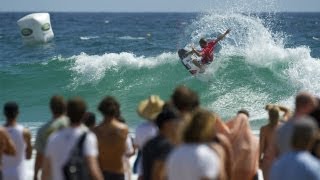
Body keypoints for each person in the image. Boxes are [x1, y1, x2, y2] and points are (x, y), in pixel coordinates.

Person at [42, 97, 103, 180]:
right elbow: (93, 168)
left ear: (67, 112)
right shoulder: (88, 137)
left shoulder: (53, 138)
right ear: (83, 115)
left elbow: (46, 171)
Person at [167, 108, 221, 180]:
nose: (215, 130)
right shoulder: (206, 155)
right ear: (207, 130)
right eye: (213, 127)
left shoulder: (174, 154)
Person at [93, 96, 129, 180]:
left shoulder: (95, 131)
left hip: (101, 172)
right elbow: (125, 150)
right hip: (118, 172)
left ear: (101, 110)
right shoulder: (123, 129)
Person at [33, 95, 69, 180]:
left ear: (51, 108)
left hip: (51, 173)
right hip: (71, 172)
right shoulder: (74, 127)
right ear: (65, 107)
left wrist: (35, 175)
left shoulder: (43, 130)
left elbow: (39, 156)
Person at [142, 104, 181, 180]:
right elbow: (158, 175)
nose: (178, 126)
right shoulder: (166, 145)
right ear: (167, 124)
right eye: (176, 123)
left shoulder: (149, 142)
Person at [276, 91, 318, 155]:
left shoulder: (281, 127)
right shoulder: (308, 125)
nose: (313, 108)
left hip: (284, 160)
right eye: (312, 105)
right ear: (306, 106)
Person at [134, 95, 164, 179]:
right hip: (160, 163)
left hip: (143, 162)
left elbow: (136, 146)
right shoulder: (162, 129)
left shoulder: (139, 128)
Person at [2, 101, 32, 180]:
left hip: (3, 175)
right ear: (18, 113)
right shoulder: (25, 132)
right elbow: (29, 156)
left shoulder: (1, 132)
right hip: (20, 174)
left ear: (4, 113)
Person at [259, 104, 290, 180]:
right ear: (278, 115)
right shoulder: (284, 125)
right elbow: (287, 110)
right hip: (281, 159)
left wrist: (258, 161)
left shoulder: (264, 129)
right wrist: (274, 106)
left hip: (268, 160)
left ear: (269, 116)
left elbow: (261, 148)